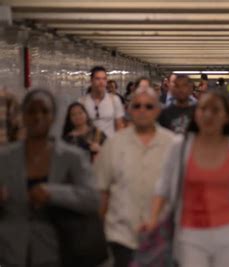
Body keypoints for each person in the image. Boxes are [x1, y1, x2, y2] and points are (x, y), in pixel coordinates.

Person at [141, 90, 229, 267]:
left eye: (215, 110)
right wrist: (153, 220)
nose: (208, 115)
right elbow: (164, 186)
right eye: (203, 108)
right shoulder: (180, 147)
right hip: (190, 235)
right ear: (196, 114)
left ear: (227, 117)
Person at [0, 89, 99, 267]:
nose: (38, 117)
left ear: (53, 117)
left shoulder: (71, 157)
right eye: (31, 111)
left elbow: (92, 199)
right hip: (12, 251)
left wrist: (54, 193)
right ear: (22, 116)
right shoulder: (5, 157)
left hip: (57, 248)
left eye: (44, 111)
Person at [93, 86, 175, 267]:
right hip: (121, 236)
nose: (142, 111)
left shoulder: (173, 144)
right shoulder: (114, 144)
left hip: (162, 236)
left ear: (158, 110)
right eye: (137, 106)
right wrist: (97, 231)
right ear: (129, 110)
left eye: (148, 106)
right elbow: (102, 191)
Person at [79, 66, 125, 138]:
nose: (101, 82)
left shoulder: (114, 100)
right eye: (97, 79)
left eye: (104, 79)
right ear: (91, 80)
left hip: (109, 145)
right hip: (88, 145)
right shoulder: (82, 102)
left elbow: (119, 125)